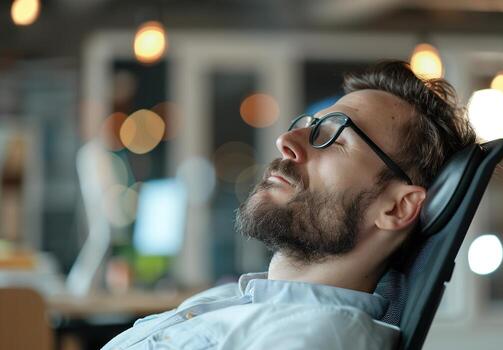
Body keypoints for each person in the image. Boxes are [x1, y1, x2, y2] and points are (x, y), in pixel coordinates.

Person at [102, 60, 477, 350]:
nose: (285, 139)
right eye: (309, 124)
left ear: (396, 208)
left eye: (334, 138)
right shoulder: (232, 299)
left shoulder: (315, 337)